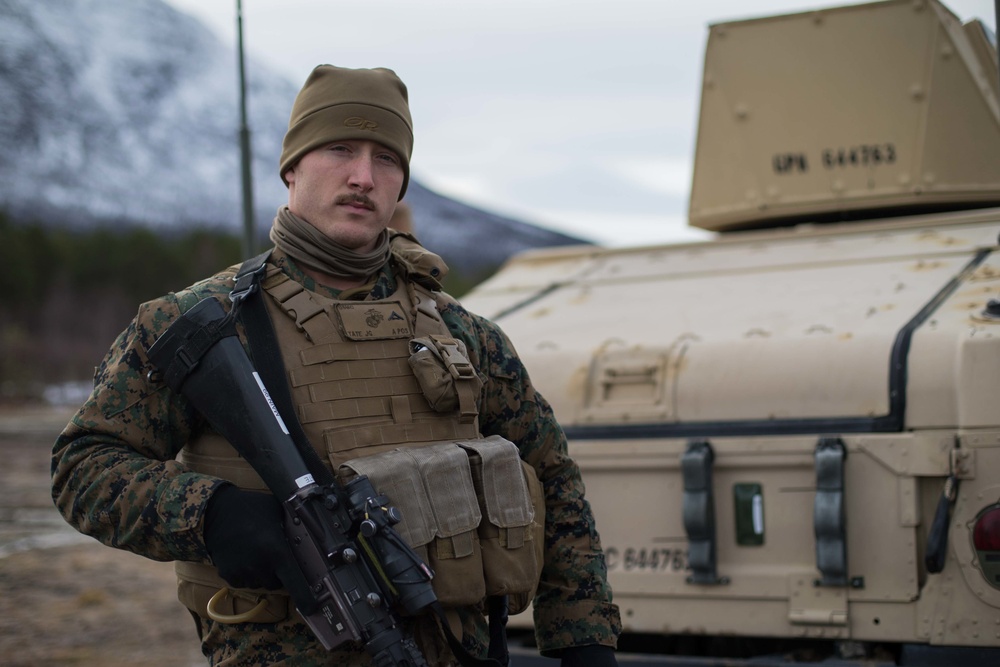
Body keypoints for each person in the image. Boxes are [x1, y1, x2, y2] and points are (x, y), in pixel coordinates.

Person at [51, 64, 621, 666]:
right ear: (292, 166)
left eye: (386, 159)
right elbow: (82, 466)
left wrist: (584, 638)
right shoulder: (202, 326)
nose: (362, 177)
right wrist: (209, 513)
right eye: (340, 149)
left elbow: (552, 474)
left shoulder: (462, 333)